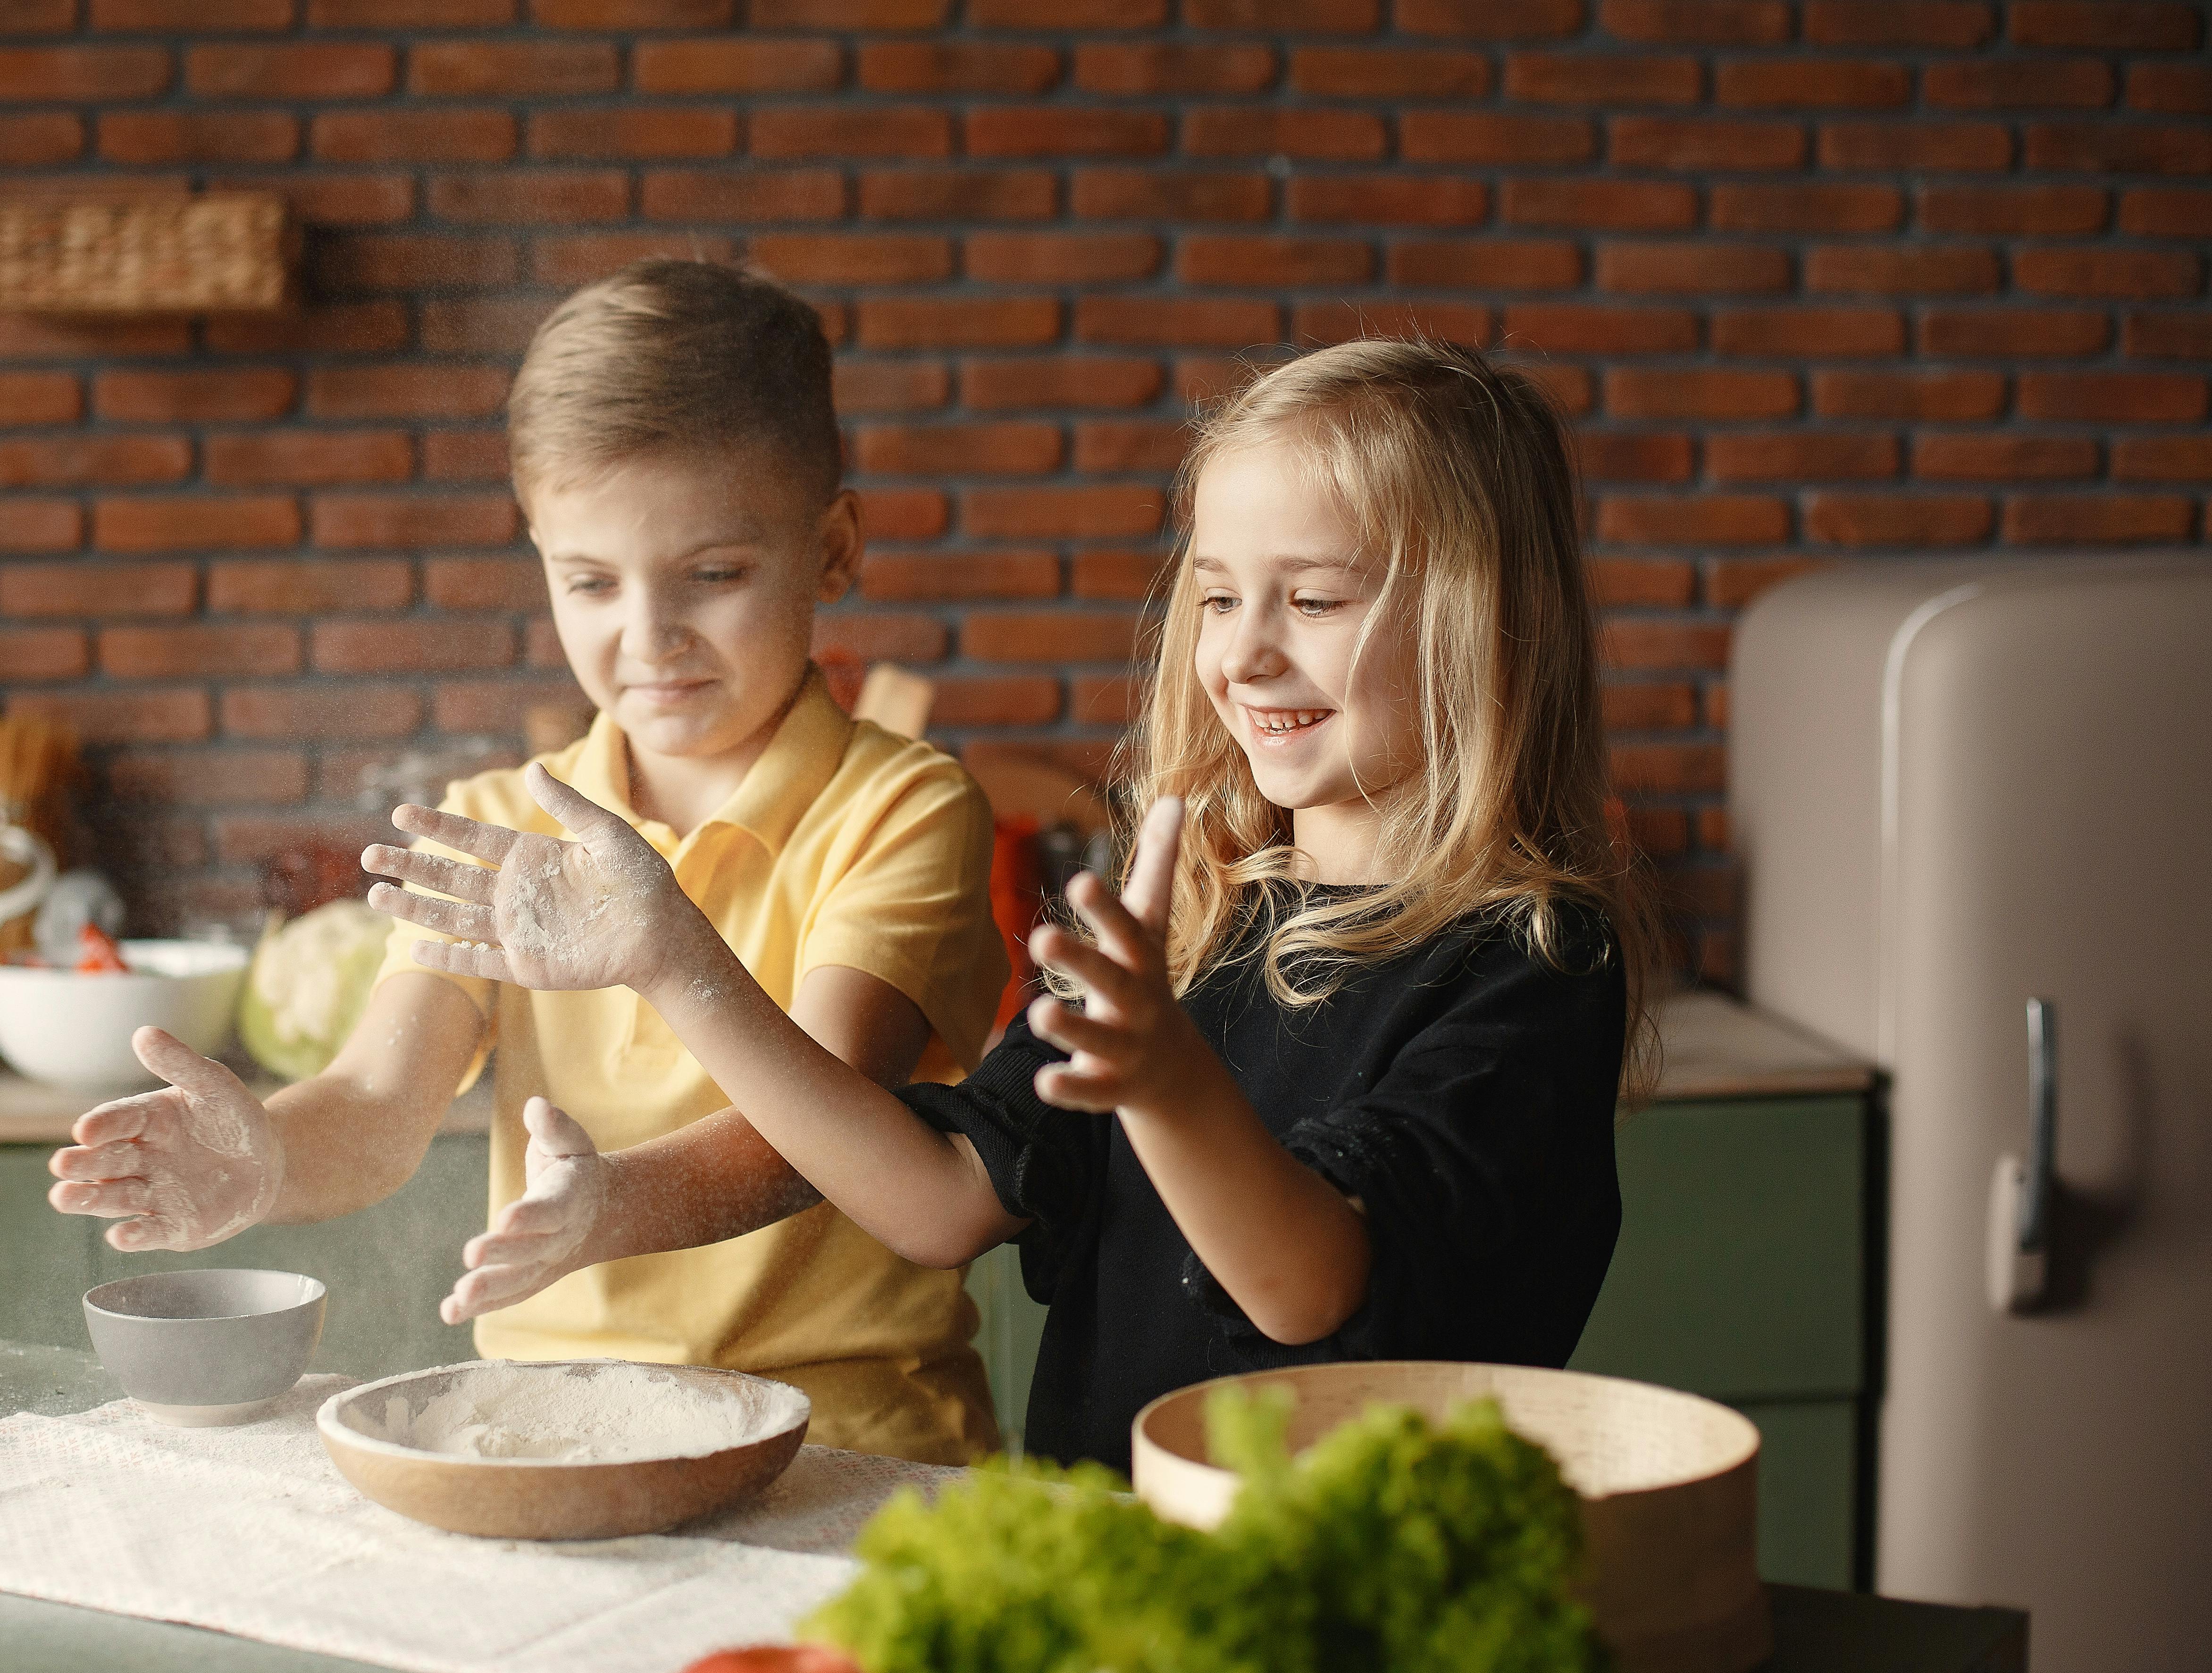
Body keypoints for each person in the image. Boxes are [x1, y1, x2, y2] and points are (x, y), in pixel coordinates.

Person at [373, 338, 1660, 1474]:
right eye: (1217, 595)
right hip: (1112, 1571)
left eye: (1314, 599)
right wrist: (673, 960)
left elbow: (1307, 1288)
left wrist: (1161, 1077)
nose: (1245, 650)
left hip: (1351, 1622)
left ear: (1484, 626)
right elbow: (935, 1201)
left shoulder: (1533, 966)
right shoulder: (1185, 934)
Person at [47, 259, 1010, 1465]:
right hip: (563, 1431)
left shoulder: (903, 807)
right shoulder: (495, 825)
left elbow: (806, 1143)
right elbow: (378, 1108)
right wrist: (271, 1158)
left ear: (833, 548)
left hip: (849, 1438)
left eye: (714, 575)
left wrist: (614, 1197)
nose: (648, 637)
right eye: (592, 582)